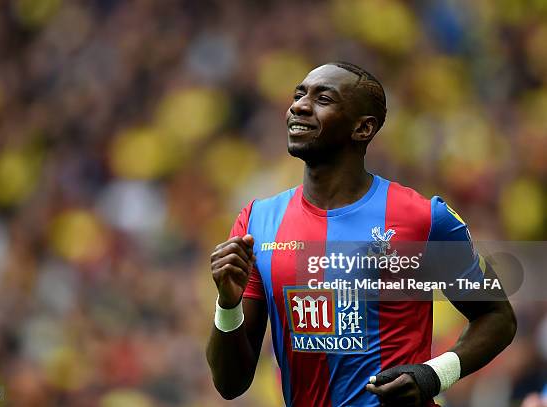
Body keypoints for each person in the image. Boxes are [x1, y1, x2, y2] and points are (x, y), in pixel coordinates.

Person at [206, 62, 517, 407]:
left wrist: (433, 375)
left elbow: (497, 317)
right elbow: (229, 384)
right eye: (298, 95)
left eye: (323, 98)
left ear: (363, 128)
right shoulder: (257, 223)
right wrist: (228, 304)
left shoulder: (423, 219)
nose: (299, 106)